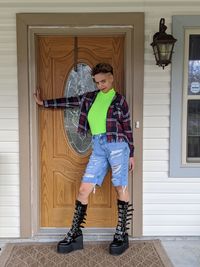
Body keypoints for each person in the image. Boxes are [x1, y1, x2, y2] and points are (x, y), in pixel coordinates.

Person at [34, 63, 135, 256]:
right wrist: (44, 103)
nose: (100, 85)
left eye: (103, 81)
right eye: (97, 82)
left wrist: (132, 154)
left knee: (120, 186)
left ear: (112, 78)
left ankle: (121, 232)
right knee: (84, 189)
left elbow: (127, 127)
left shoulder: (119, 100)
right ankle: (75, 233)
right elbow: (69, 101)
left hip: (117, 145)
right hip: (98, 146)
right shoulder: (90, 98)